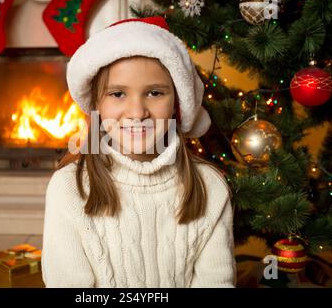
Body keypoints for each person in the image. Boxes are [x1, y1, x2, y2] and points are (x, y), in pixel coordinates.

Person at [42, 16, 236, 288]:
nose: (137, 113)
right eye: (118, 94)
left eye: (155, 93)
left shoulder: (210, 186)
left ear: (177, 104)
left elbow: (216, 282)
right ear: (97, 105)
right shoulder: (69, 188)